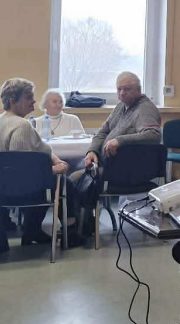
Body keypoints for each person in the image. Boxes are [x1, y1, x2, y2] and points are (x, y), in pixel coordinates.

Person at [66, 72, 161, 240]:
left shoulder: (145, 109)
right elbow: (102, 132)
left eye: (127, 89)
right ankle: (84, 223)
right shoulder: (121, 107)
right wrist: (92, 151)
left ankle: (77, 229)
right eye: (119, 89)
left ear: (139, 90)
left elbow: (153, 135)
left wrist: (119, 140)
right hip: (108, 166)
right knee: (78, 171)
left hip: (125, 171)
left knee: (74, 178)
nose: (122, 93)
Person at [0, 78, 71, 247]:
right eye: (28, 97)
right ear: (13, 101)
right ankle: (72, 230)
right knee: (64, 183)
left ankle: (34, 229)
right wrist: (55, 169)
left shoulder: (1, 120)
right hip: (18, 188)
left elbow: (38, 149)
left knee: (58, 181)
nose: (34, 101)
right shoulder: (21, 125)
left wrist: (54, 159)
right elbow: (22, 170)